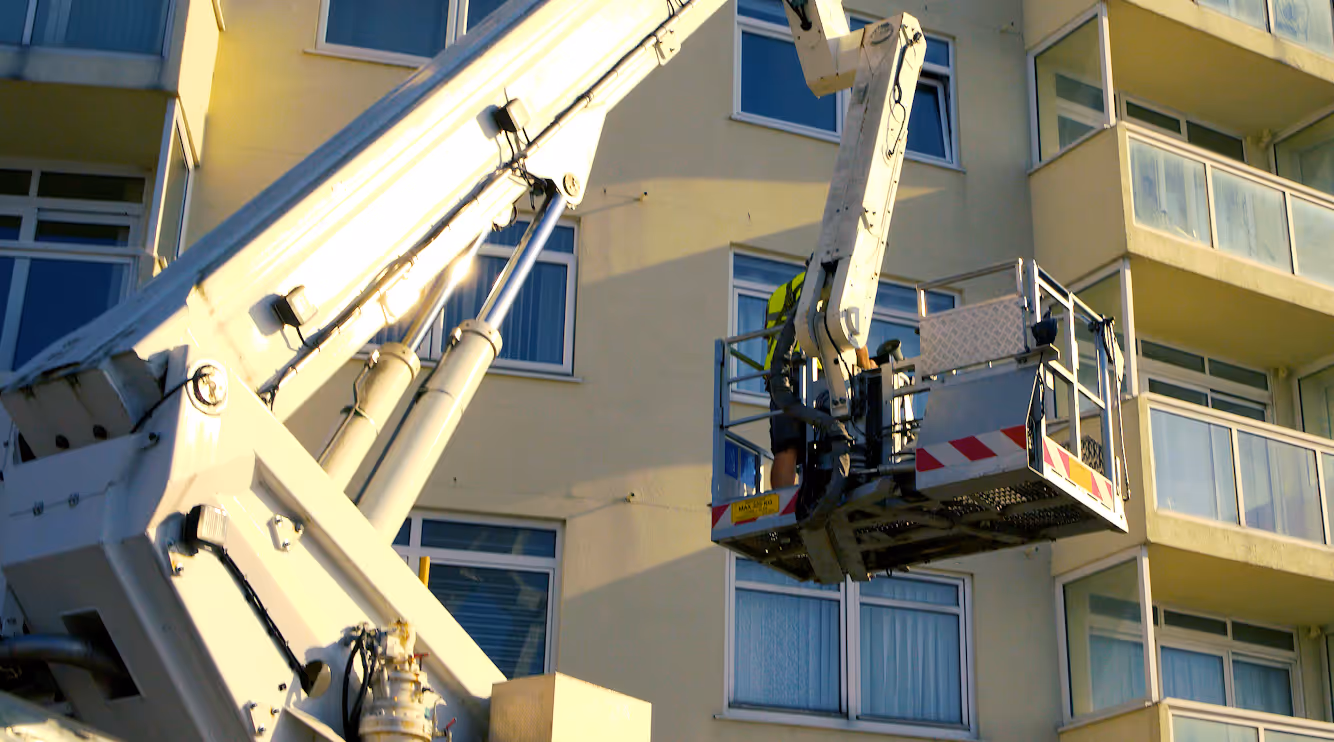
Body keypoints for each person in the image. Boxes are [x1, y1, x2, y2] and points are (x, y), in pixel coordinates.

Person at [763, 270, 875, 489]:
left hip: (780, 376)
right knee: (831, 439)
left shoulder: (782, 292)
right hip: (812, 373)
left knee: (786, 446)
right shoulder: (831, 284)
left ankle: (783, 503)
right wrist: (866, 366)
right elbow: (853, 332)